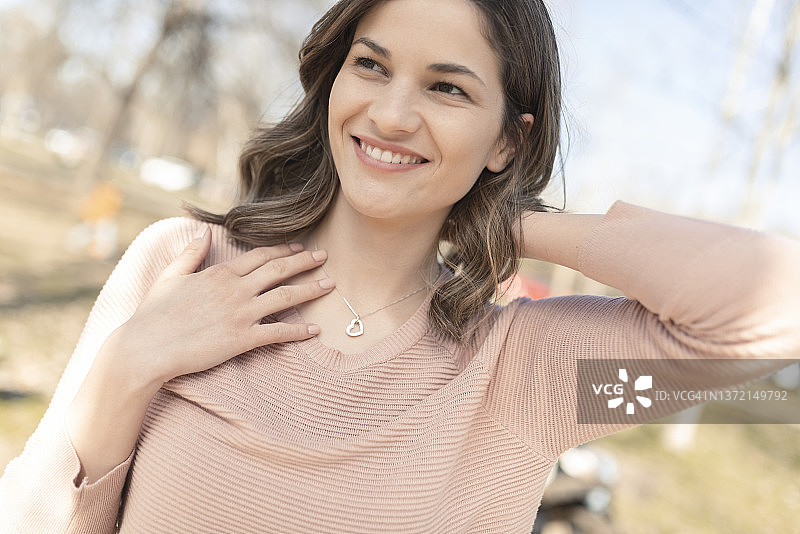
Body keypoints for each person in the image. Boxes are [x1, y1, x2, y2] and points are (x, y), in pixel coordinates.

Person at [1, 0, 798, 532]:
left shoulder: (530, 375)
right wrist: (127, 368)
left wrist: (505, 217)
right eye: (372, 66)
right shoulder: (182, 263)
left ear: (507, 141)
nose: (389, 113)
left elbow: (775, 316)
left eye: (446, 89)